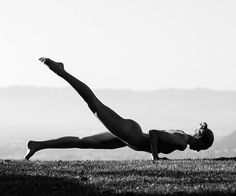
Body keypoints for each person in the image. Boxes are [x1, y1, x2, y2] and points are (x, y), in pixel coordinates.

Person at [25, 58, 214, 161]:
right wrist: (156, 158)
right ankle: (61, 71)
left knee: (82, 142)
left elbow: (156, 137)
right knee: (94, 104)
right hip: (130, 134)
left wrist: (156, 154)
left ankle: (38, 145)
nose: (198, 151)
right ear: (199, 138)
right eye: (202, 148)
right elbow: (154, 134)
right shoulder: (182, 142)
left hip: (128, 139)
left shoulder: (181, 136)